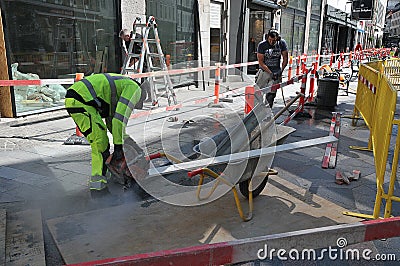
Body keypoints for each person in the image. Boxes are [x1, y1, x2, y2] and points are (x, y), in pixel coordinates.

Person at [65, 73, 142, 191]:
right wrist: (118, 148)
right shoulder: (135, 89)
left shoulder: (118, 90)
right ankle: (98, 189)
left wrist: (130, 144)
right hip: (81, 101)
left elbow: (113, 125)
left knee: (102, 142)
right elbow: (119, 121)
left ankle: (107, 179)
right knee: (100, 144)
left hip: (80, 100)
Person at [255, 29, 288, 107]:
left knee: (271, 94)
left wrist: (281, 71)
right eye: (270, 40)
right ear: (267, 38)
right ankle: (258, 110)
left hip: (276, 71)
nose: (271, 42)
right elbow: (261, 62)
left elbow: (285, 58)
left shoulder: (281, 43)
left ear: (278, 39)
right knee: (258, 92)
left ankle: (268, 112)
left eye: (274, 40)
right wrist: (270, 72)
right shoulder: (262, 45)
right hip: (264, 72)